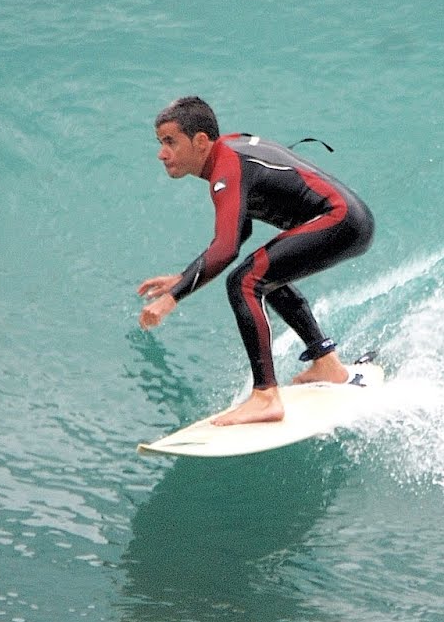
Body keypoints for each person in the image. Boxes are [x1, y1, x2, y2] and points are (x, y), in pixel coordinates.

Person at [137, 96, 375, 425]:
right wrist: (184, 276)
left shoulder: (227, 167)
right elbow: (239, 229)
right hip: (348, 220)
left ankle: (266, 396)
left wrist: (172, 297)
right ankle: (326, 364)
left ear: (201, 141)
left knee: (244, 281)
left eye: (170, 142)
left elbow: (225, 248)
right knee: (265, 273)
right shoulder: (228, 154)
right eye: (161, 143)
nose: (162, 153)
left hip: (340, 219)